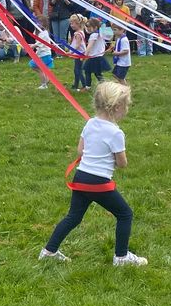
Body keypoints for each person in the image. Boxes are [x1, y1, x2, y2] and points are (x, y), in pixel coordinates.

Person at [38, 81, 147, 266]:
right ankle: (121, 257)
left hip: (80, 178)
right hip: (98, 183)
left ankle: (49, 251)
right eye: (126, 105)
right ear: (117, 107)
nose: (127, 109)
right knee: (125, 214)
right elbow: (122, 164)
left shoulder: (89, 123)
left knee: (73, 217)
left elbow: (80, 151)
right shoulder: (115, 133)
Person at [79, 17, 107, 91]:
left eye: (89, 27)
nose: (87, 28)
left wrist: (84, 56)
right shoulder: (99, 33)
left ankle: (89, 87)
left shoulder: (93, 35)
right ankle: (103, 85)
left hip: (95, 57)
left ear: (95, 27)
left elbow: (89, 46)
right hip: (98, 57)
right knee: (96, 73)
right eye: (87, 27)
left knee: (90, 71)